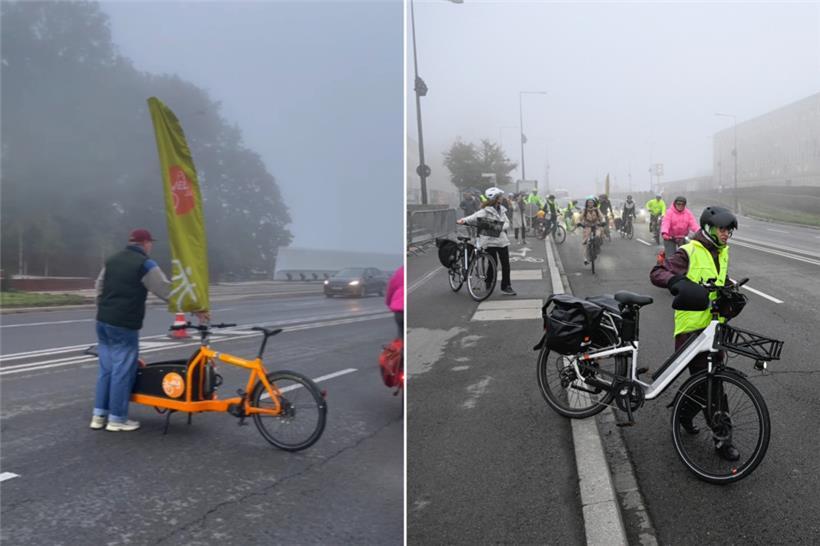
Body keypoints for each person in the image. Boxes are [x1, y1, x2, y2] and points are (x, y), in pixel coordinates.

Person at [90, 228, 209, 432]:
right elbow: (165, 290)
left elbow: (99, 287)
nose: (150, 246)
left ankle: (99, 416)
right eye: (150, 243)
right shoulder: (145, 264)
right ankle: (117, 419)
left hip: (103, 322)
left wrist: (105, 308)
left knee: (106, 370)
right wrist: (194, 307)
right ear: (145, 243)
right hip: (124, 324)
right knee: (122, 370)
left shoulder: (112, 260)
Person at [650, 206, 740, 461]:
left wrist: (730, 286)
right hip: (691, 330)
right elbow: (657, 273)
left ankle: (683, 415)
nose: (726, 235)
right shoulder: (688, 251)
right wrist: (677, 282)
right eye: (723, 229)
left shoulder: (721, 252)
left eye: (729, 231)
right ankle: (722, 440)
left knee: (708, 382)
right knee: (710, 384)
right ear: (710, 229)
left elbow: (715, 278)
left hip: (713, 328)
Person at [457, 187, 516, 296]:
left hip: (502, 241)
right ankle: (489, 282)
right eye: (500, 196)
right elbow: (473, 217)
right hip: (490, 242)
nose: (502, 198)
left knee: (506, 264)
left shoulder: (502, 210)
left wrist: (499, 227)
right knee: (492, 263)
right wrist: (462, 220)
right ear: (496, 198)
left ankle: (506, 286)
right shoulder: (485, 211)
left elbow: (507, 223)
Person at [578, 198, 605, 265]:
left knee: (598, 236)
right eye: (589, 202)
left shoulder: (596, 209)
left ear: (593, 203)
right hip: (587, 226)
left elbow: (601, 216)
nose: (590, 204)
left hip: (596, 226)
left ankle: (596, 249)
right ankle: (585, 259)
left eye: (591, 202)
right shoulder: (585, 210)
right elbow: (580, 218)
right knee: (585, 242)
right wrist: (579, 223)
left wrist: (603, 221)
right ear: (587, 203)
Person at [385, 266, 404, 338]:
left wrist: (388, 303)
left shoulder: (400, 271)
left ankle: (402, 346)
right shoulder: (401, 270)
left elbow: (391, 289)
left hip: (399, 311)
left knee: (401, 337)